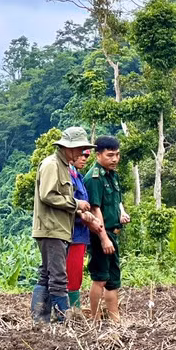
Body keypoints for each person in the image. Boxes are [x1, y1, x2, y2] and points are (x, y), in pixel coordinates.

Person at [30, 128, 93, 323]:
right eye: (80, 148)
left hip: (58, 229)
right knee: (57, 276)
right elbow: (47, 195)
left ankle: (41, 320)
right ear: (69, 148)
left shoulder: (63, 166)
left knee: (47, 274)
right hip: (51, 228)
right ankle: (62, 320)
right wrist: (76, 204)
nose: (82, 153)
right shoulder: (52, 165)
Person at [84, 135, 131, 321]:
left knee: (112, 281)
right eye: (110, 155)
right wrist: (103, 238)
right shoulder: (94, 178)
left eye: (117, 155)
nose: (115, 159)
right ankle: (94, 320)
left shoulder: (113, 176)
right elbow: (95, 209)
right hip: (100, 235)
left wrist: (122, 213)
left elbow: (115, 202)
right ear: (98, 155)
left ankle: (115, 319)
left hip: (113, 232)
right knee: (100, 278)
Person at [64, 127, 101, 310]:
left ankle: (74, 308)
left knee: (77, 271)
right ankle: (72, 309)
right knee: (70, 272)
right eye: (82, 155)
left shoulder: (78, 177)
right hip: (71, 232)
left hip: (80, 233)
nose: (85, 159)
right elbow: (68, 203)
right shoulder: (67, 176)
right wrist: (86, 216)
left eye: (87, 156)